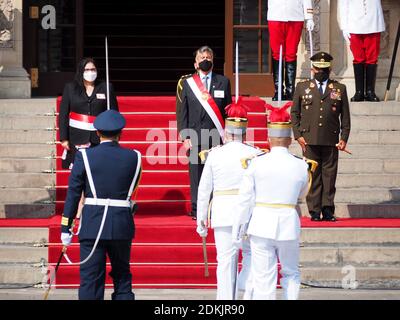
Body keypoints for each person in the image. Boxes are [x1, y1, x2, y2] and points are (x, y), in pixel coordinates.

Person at [60, 110, 142, 300]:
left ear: (97, 132)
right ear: (120, 132)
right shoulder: (135, 157)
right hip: (122, 224)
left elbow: (73, 193)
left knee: (91, 279)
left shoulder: (85, 156)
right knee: (122, 278)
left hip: (93, 224)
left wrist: (66, 226)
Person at [232, 104, 310, 300]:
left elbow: (245, 200)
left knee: (263, 278)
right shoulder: (301, 165)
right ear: (290, 140)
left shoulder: (256, 163)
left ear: (268, 139)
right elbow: (301, 194)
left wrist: (238, 229)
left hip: (261, 225)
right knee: (291, 273)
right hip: (288, 224)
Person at [196, 99, 263, 300]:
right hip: (249, 213)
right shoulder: (256, 153)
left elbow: (204, 189)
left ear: (226, 132)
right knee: (251, 257)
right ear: (245, 132)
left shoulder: (215, 155)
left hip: (223, 212)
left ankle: (225, 302)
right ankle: (248, 295)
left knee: (225, 261)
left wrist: (201, 220)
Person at [290, 52, 351, 221]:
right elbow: (294, 113)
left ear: (330, 69)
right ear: (313, 69)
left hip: (331, 140)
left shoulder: (339, 88)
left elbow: (345, 116)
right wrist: (298, 135)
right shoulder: (302, 87)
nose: (321, 72)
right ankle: (315, 210)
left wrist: (344, 137)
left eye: (325, 69)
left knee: (329, 177)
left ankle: (328, 209)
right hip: (309, 139)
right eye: (318, 69)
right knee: (313, 176)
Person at [177, 46, 232, 220]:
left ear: (213, 61)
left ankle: (213, 209)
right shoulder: (187, 83)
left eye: (208, 57)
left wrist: (229, 133)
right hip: (194, 135)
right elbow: (182, 112)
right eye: (202, 58)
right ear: (196, 63)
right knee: (196, 175)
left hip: (216, 135)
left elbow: (228, 110)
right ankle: (196, 210)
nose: (205, 60)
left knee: (215, 174)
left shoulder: (223, 82)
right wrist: (184, 137)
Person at [59, 57, 119, 170]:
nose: (90, 72)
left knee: (98, 171)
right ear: (81, 71)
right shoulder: (70, 88)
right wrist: (64, 138)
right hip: (76, 138)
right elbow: (63, 114)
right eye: (87, 70)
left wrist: (114, 136)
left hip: (100, 138)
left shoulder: (106, 87)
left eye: (93, 69)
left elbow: (114, 113)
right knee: (79, 172)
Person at [267, 0, 315, 100]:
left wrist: (309, 17)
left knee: (291, 54)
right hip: (276, 15)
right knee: (277, 54)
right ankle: (278, 91)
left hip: (295, 16)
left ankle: (290, 91)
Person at [338, 0, 385, 102]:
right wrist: (344, 27)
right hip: (354, 24)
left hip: (374, 22)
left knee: (372, 59)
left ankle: (370, 92)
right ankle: (359, 92)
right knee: (358, 58)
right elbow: (343, 5)